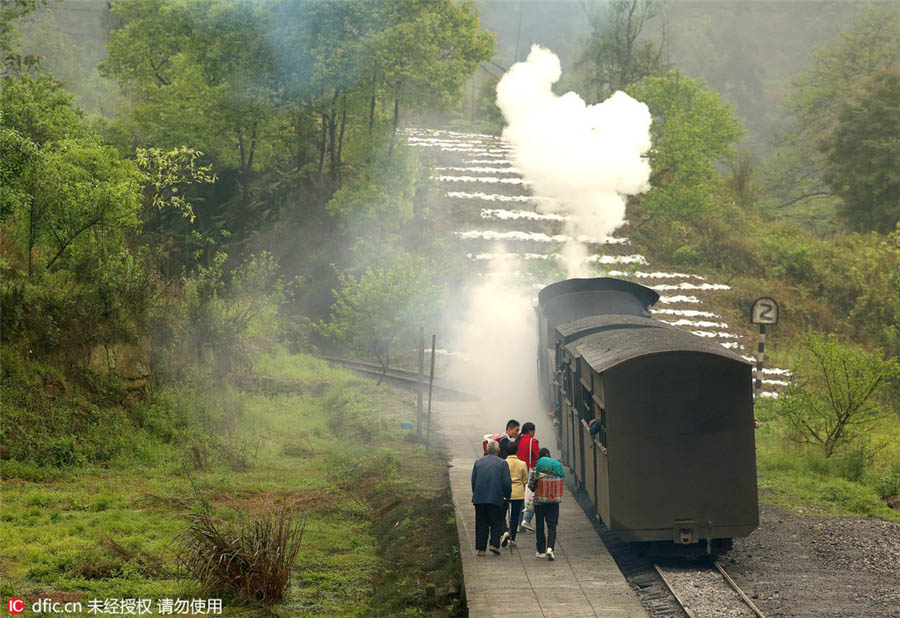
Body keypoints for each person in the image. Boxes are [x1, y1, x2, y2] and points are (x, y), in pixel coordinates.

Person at [471, 439, 512, 556]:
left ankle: (481, 549)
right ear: (498, 451)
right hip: (496, 497)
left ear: (486, 450)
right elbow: (506, 483)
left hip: (480, 498)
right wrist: (507, 495)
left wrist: (476, 494)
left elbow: (473, 481)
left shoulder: (478, 462)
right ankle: (494, 544)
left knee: (481, 523)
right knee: (496, 521)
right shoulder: (503, 463)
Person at [533, 447, 565, 561]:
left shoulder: (537, 469)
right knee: (552, 526)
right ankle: (550, 548)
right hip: (553, 502)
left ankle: (541, 551)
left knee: (540, 526)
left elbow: (531, 486)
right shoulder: (556, 469)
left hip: (539, 503)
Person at [515, 422, 540, 531]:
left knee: (521, 498)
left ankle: (519, 524)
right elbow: (538, 456)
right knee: (533, 497)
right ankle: (527, 520)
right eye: (534, 430)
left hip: (518, 472)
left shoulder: (518, 440)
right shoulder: (532, 441)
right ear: (530, 431)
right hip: (530, 472)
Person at [504, 449, 528, 548]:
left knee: (501, 514)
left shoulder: (503, 463)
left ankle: (505, 531)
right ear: (516, 451)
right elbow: (525, 479)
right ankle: (512, 539)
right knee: (515, 517)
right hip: (518, 492)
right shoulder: (522, 464)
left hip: (505, 491)